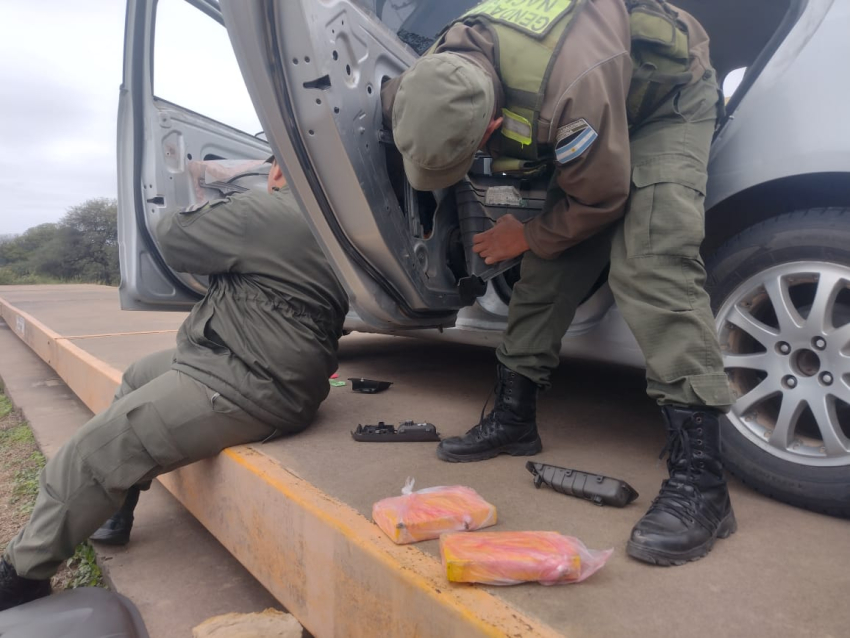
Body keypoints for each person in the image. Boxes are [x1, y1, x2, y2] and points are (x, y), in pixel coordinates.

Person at [382, 0, 736, 565]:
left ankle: (704, 484)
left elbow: (601, 200)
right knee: (546, 272)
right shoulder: (427, 77)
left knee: (650, 263)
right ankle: (514, 420)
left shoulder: (574, 91)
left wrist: (523, 235)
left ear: (491, 126)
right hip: (597, 94)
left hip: (662, 104)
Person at [0, 159, 348, 610]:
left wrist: (203, 181)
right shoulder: (329, 222)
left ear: (280, 171)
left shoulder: (268, 212)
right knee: (137, 375)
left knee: (89, 454)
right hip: (251, 359)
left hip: (251, 382)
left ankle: (22, 576)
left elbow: (173, 234)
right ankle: (116, 507)